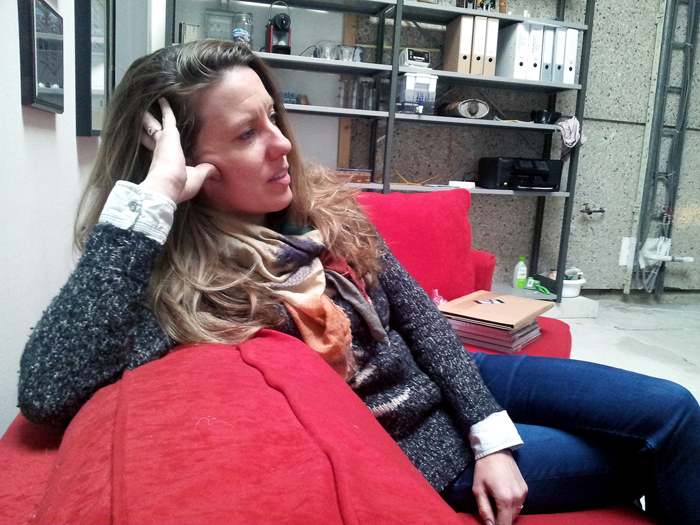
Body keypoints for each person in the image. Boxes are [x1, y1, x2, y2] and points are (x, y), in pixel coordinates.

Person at [18, 40, 700, 525]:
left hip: (467, 380)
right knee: (657, 452)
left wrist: (490, 431)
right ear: (185, 165)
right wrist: (151, 201)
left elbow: (420, 319)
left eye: (273, 117)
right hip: (427, 450)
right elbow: (48, 391)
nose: (283, 143)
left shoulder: (324, 209)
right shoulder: (187, 289)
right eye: (248, 133)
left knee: (674, 410)